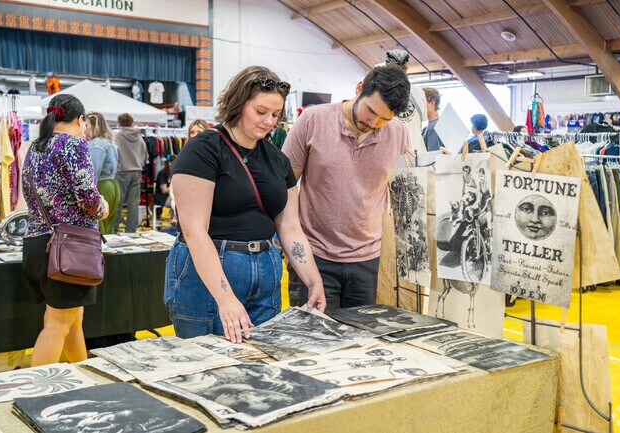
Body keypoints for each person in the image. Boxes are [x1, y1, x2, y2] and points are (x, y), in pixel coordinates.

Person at [165, 65, 326, 343]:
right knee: (206, 367)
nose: (268, 122)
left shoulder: (277, 159)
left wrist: (313, 280)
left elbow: (289, 226)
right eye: (260, 112)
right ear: (239, 104)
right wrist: (225, 296)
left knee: (261, 366)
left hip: (265, 270)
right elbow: (194, 231)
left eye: (275, 115)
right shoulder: (203, 150)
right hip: (210, 272)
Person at [283, 64, 410, 310]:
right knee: (313, 340)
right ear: (359, 89)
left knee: (364, 342)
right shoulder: (313, 120)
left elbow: (401, 197)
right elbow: (284, 184)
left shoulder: (399, 134)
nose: (373, 123)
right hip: (313, 256)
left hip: (369, 261)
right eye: (370, 111)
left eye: (385, 118)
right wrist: (290, 242)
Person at [22, 94, 109, 366]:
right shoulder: (74, 145)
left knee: (71, 320)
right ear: (81, 120)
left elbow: (28, 194)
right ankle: (35, 390)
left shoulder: (36, 147)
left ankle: (82, 374)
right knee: (59, 324)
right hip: (69, 249)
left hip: (39, 245)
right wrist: (103, 207)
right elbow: (89, 199)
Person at [384, 49, 428, 155]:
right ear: (407, 67)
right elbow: (424, 119)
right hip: (417, 153)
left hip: (392, 154)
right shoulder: (419, 93)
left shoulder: (380, 92)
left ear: (386, 67)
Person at [86, 112, 120, 234]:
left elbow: (93, 171)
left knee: (100, 226)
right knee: (107, 226)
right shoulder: (109, 142)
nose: (85, 129)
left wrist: (90, 192)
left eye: (87, 125)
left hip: (102, 185)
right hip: (111, 184)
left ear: (93, 126)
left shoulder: (96, 144)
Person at [113, 113, 148, 233]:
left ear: (119, 123)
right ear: (131, 122)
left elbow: (114, 155)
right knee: (133, 204)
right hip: (137, 171)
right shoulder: (139, 137)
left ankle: (114, 229)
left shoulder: (117, 137)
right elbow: (145, 155)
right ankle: (131, 231)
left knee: (119, 203)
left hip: (122, 171)